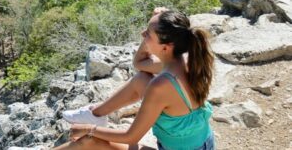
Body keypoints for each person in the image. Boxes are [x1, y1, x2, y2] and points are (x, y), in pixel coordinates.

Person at [56, 8, 215, 150]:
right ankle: (96, 114)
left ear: (166, 47)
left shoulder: (162, 85)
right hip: (200, 144)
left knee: (88, 141)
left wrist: (89, 129)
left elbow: (131, 137)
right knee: (141, 79)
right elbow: (139, 63)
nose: (142, 34)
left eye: (148, 34)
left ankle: (92, 122)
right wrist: (156, 26)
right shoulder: (182, 63)